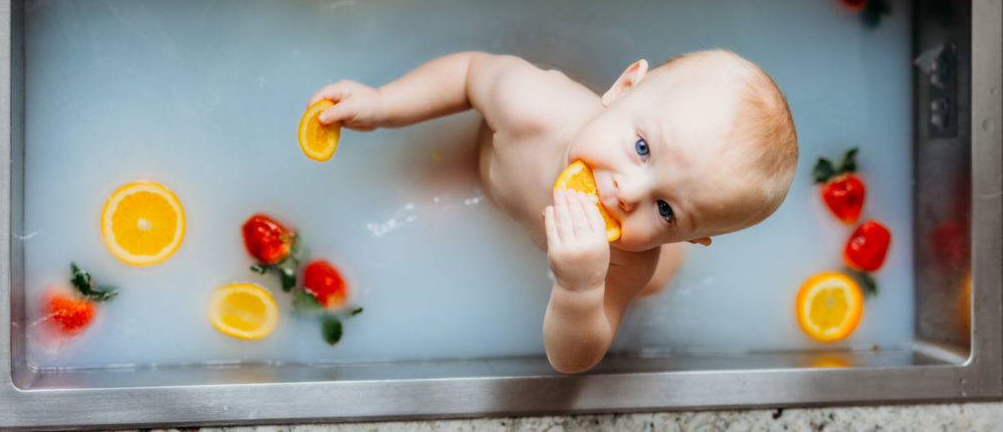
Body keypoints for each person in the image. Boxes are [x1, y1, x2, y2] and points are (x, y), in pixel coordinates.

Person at [308, 49, 797, 373]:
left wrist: (581, 288)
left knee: (653, 283)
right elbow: (468, 75)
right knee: (455, 172)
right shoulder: (533, 104)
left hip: (604, 265)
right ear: (623, 88)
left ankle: (670, 264)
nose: (628, 192)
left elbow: (573, 359)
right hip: (494, 161)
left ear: (690, 236)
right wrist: (385, 104)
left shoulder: (629, 260)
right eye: (643, 148)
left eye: (666, 210)